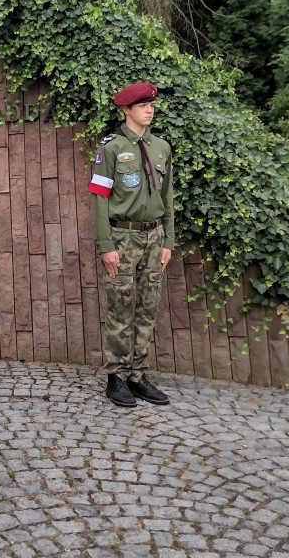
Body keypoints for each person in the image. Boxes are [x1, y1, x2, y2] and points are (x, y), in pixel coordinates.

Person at [88, 82, 174, 407]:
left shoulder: (161, 147)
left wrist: (168, 240)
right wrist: (105, 244)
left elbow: (168, 197)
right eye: (142, 105)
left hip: (154, 238)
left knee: (147, 307)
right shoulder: (110, 148)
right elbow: (99, 198)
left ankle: (138, 375)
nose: (149, 110)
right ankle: (116, 377)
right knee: (120, 308)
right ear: (126, 110)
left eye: (151, 104)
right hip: (122, 238)